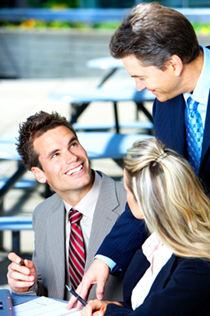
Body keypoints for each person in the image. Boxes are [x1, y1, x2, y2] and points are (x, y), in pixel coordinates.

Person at [67, 2, 210, 306]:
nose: (139, 87)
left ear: (173, 65)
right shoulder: (167, 98)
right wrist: (106, 258)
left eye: (140, 76)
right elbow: (152, 190)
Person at [80, 137, 210, 316]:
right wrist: (116, 308)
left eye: (128, 191)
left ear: (144, 202)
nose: (126, 199)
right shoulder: (154, 243)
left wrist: (109, 313)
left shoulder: (197, 267)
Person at [7, 111, 127, 301]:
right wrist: (26, 285)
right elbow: (46, 289)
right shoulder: (43, 213)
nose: (72, 157)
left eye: (73, 144)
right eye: (55, 155)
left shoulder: (132, 204)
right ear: (39, 174)